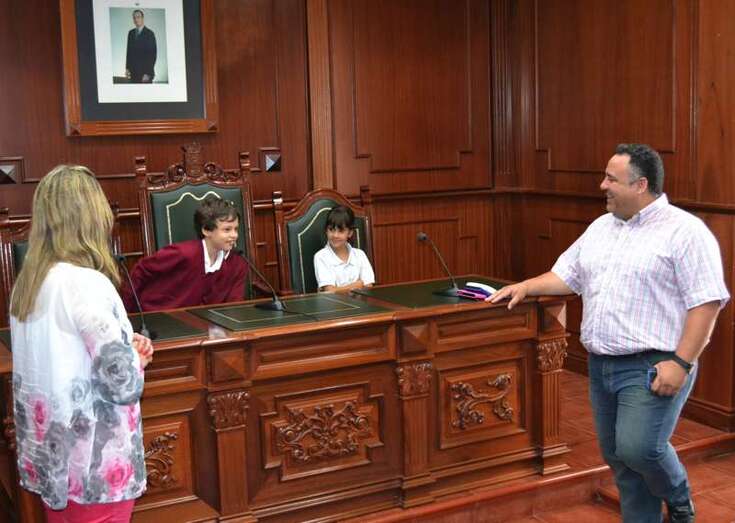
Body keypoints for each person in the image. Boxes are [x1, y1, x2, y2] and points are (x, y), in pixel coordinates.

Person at [489, 143, 729, 523]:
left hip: (655, 364)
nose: (602, 186)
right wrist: (526, 286)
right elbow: (566, 275)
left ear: (640, 184)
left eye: (611, 179)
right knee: (618, 457)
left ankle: (678, 497)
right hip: (602, 366)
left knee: (639, 449)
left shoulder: (685, 232)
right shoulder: (601, 227)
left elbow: (707, 302)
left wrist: (681, 363)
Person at [10, 165, 153, 522]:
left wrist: (122, 345)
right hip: (94, 462)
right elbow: (122, 385)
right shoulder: (87, 283)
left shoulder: (29, 284)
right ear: (92, 217)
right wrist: (135, 358)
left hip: (52, 458)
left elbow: (57, 357)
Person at [123, 195, 249, 312]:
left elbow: (234, 306)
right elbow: (141, 270)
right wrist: (129, 313)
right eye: (227, 230)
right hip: (159, 317)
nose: (234, 235)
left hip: (204, 324)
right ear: (206, 230)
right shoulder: (183, 253)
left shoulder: (238, 263)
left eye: (236, 229)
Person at [314, 205, 375, 292]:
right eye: (331, 229)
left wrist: (339, 289)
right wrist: (356, 285)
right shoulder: (320, 257)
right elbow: (330, 291)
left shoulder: (360, 255)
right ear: (326, 231)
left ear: (350, 233)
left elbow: (368, 286)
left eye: (341, 231)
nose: (335, 235)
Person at [125, 9, 156, 83]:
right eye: (134, 18)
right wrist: (127, 68)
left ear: (142, 18)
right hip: (133, 73)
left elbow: (152, 55)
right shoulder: (131, 33)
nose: (136, 19)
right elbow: (129, 52)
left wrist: (148, 73)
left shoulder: (150, 33)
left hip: (145, 74)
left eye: (138, 17)